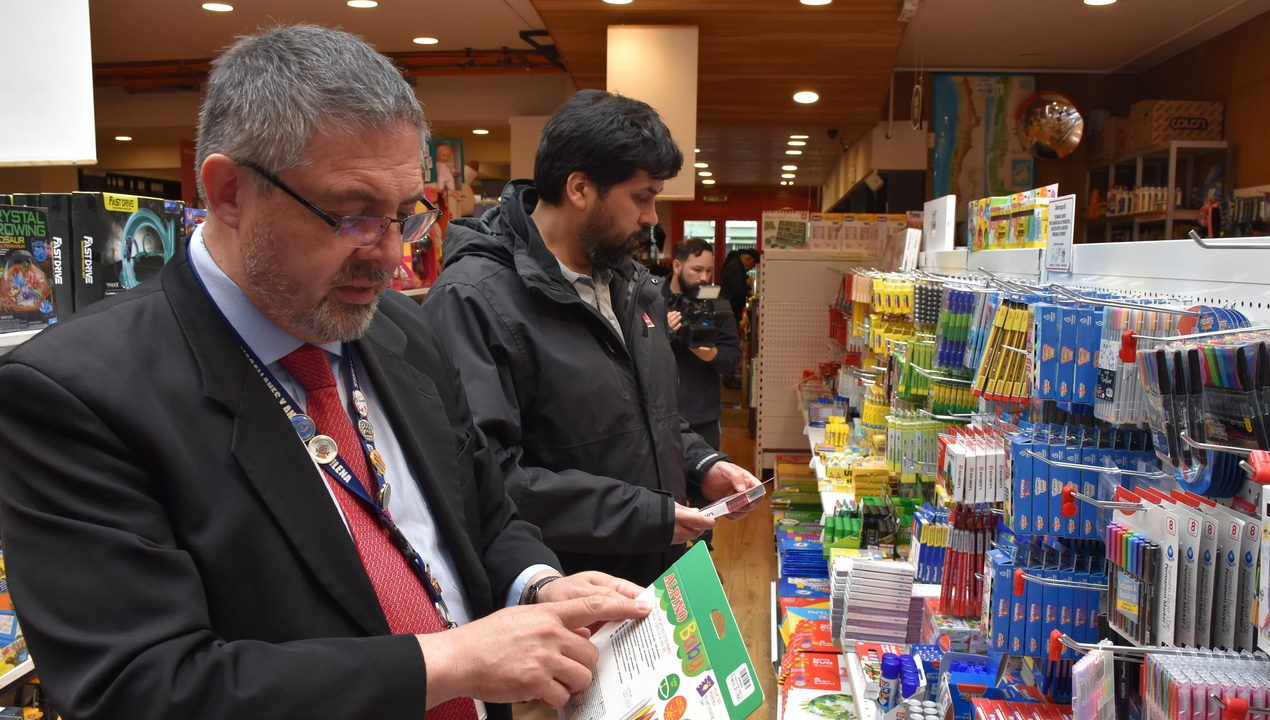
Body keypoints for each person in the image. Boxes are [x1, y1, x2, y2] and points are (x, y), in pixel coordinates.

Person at [0, 26, 649, 720]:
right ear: (229, 192)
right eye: (353, 216)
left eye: (405, 216)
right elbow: (142, 688)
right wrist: (447, 662)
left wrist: (537, 584)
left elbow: (481, 510)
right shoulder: (77, 393)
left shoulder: (399, 328)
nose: (391, 256)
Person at [421, 89, 762, 587]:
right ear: (580, 188)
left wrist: (702, 463)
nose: (651, 217)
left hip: (658, 583)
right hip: (568, 598)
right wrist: (649, 516)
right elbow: (487, 479)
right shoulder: (473, 300)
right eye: (642, 197)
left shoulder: (632, 286)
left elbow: (652, 418)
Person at [664, 238, 742, 451]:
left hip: (702, 418)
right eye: (697, 270)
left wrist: (712, 355)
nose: (704, 278)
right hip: (658, 418)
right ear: (677, 266)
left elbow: (733, 357)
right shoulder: (650, 300)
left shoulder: (715, 302)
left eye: (709, 271)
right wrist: (661, 334)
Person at [718, 247, 760, 321]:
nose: (752, 268)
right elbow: (739, 291)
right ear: (748, 259)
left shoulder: (735, 265)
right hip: (732, 309)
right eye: (753, 265)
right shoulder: (736, 268)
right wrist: (751, 294)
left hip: (728, 307)